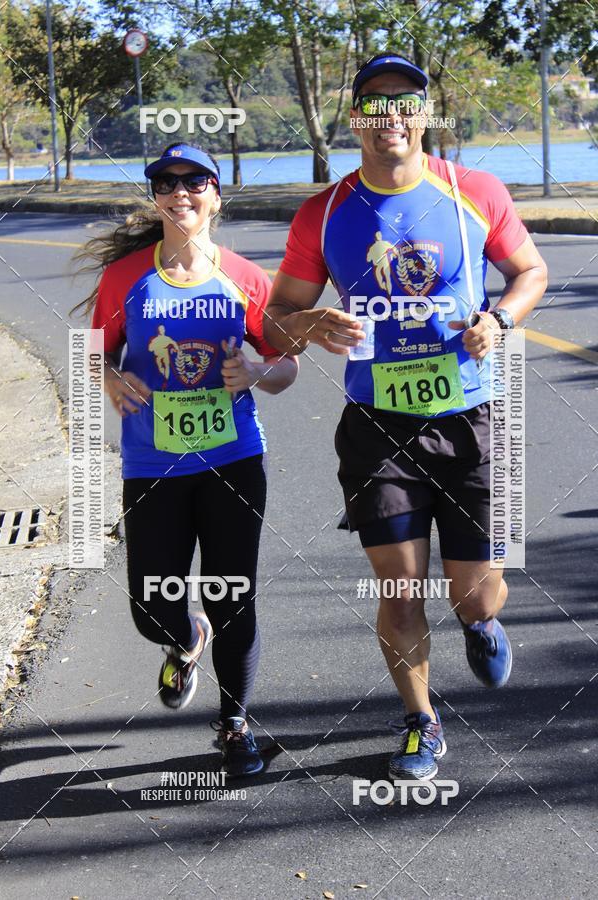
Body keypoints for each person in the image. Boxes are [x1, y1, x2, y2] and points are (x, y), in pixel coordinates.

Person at [264, 54, 547, 780]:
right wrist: (312, 322)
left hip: (472, 418)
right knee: (398, 590)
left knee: (476, 590)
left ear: (425, 113)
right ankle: (421, 721)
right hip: (379, 431)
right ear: (354, 117)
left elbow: (530, 272)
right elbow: (278, 316)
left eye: (405, 100)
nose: (390, 115)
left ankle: (480, 622)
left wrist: (502, 321)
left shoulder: (474, 191)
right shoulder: (322, 212)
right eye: (373, 102)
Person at [78, 142, 298, 777]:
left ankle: (235, 723)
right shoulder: (126, 278)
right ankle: (184, 636)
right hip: (152, 464)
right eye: (168, 183)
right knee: (152, 604)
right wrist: (110, 379)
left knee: (234, 594)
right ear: (157, 197)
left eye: (195, 181)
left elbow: (286, 368)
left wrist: (258, 369)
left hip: (232, 459)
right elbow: (91, 351)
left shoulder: (247, 278)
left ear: (215, 195)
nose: (181, 192)